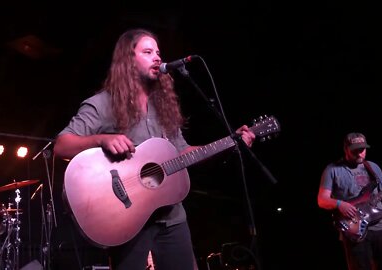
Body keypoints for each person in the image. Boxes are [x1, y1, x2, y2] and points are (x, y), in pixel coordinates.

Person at [53, 28, 256, 270]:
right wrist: (101, 139)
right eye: (148, 52)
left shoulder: (165, 108)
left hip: (172, 218)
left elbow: (182, 153)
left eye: (158, 52)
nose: (157, 58)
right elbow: (62, 145)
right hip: (127, 218)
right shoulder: (105, 103)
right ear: (128, 60)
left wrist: (229, 144)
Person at [317, 132, 382, 270]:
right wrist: (340, 204)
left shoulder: (374, 167)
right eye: (356, 150)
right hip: (355, 231)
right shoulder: (332, 170)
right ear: (345, 148)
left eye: (363, 150)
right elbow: (321, 200)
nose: (360, 153)